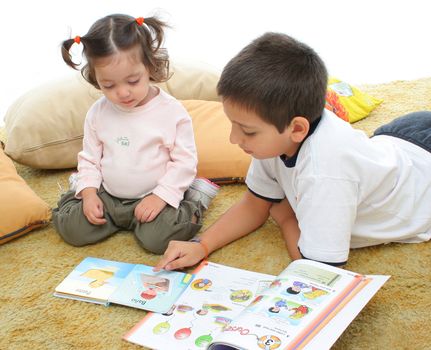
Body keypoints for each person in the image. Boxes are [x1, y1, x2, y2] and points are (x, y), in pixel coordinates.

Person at [155, 32, 431, 270]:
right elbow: (255, 204)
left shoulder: (326, 174)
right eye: (233, 125)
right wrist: (202, 245)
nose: (233, 138)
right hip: (398, 139)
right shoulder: (275, 142)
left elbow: (317, 271)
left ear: (297, 129)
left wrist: (287, 217)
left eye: (247, 131)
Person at [53, 14, 219, 254]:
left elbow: (184, 162)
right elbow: (89, 158)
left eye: (133, 80)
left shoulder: (171, 112)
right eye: (108, 85)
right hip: (108, 195)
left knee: (158, 241)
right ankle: (79, 189)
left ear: (149, 66)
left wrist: (160, 197)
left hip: (154, 194)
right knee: (72, 228)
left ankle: (195, 200)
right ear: (96, 79)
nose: (122, 93)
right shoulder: (97, 113)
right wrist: (89, 194)